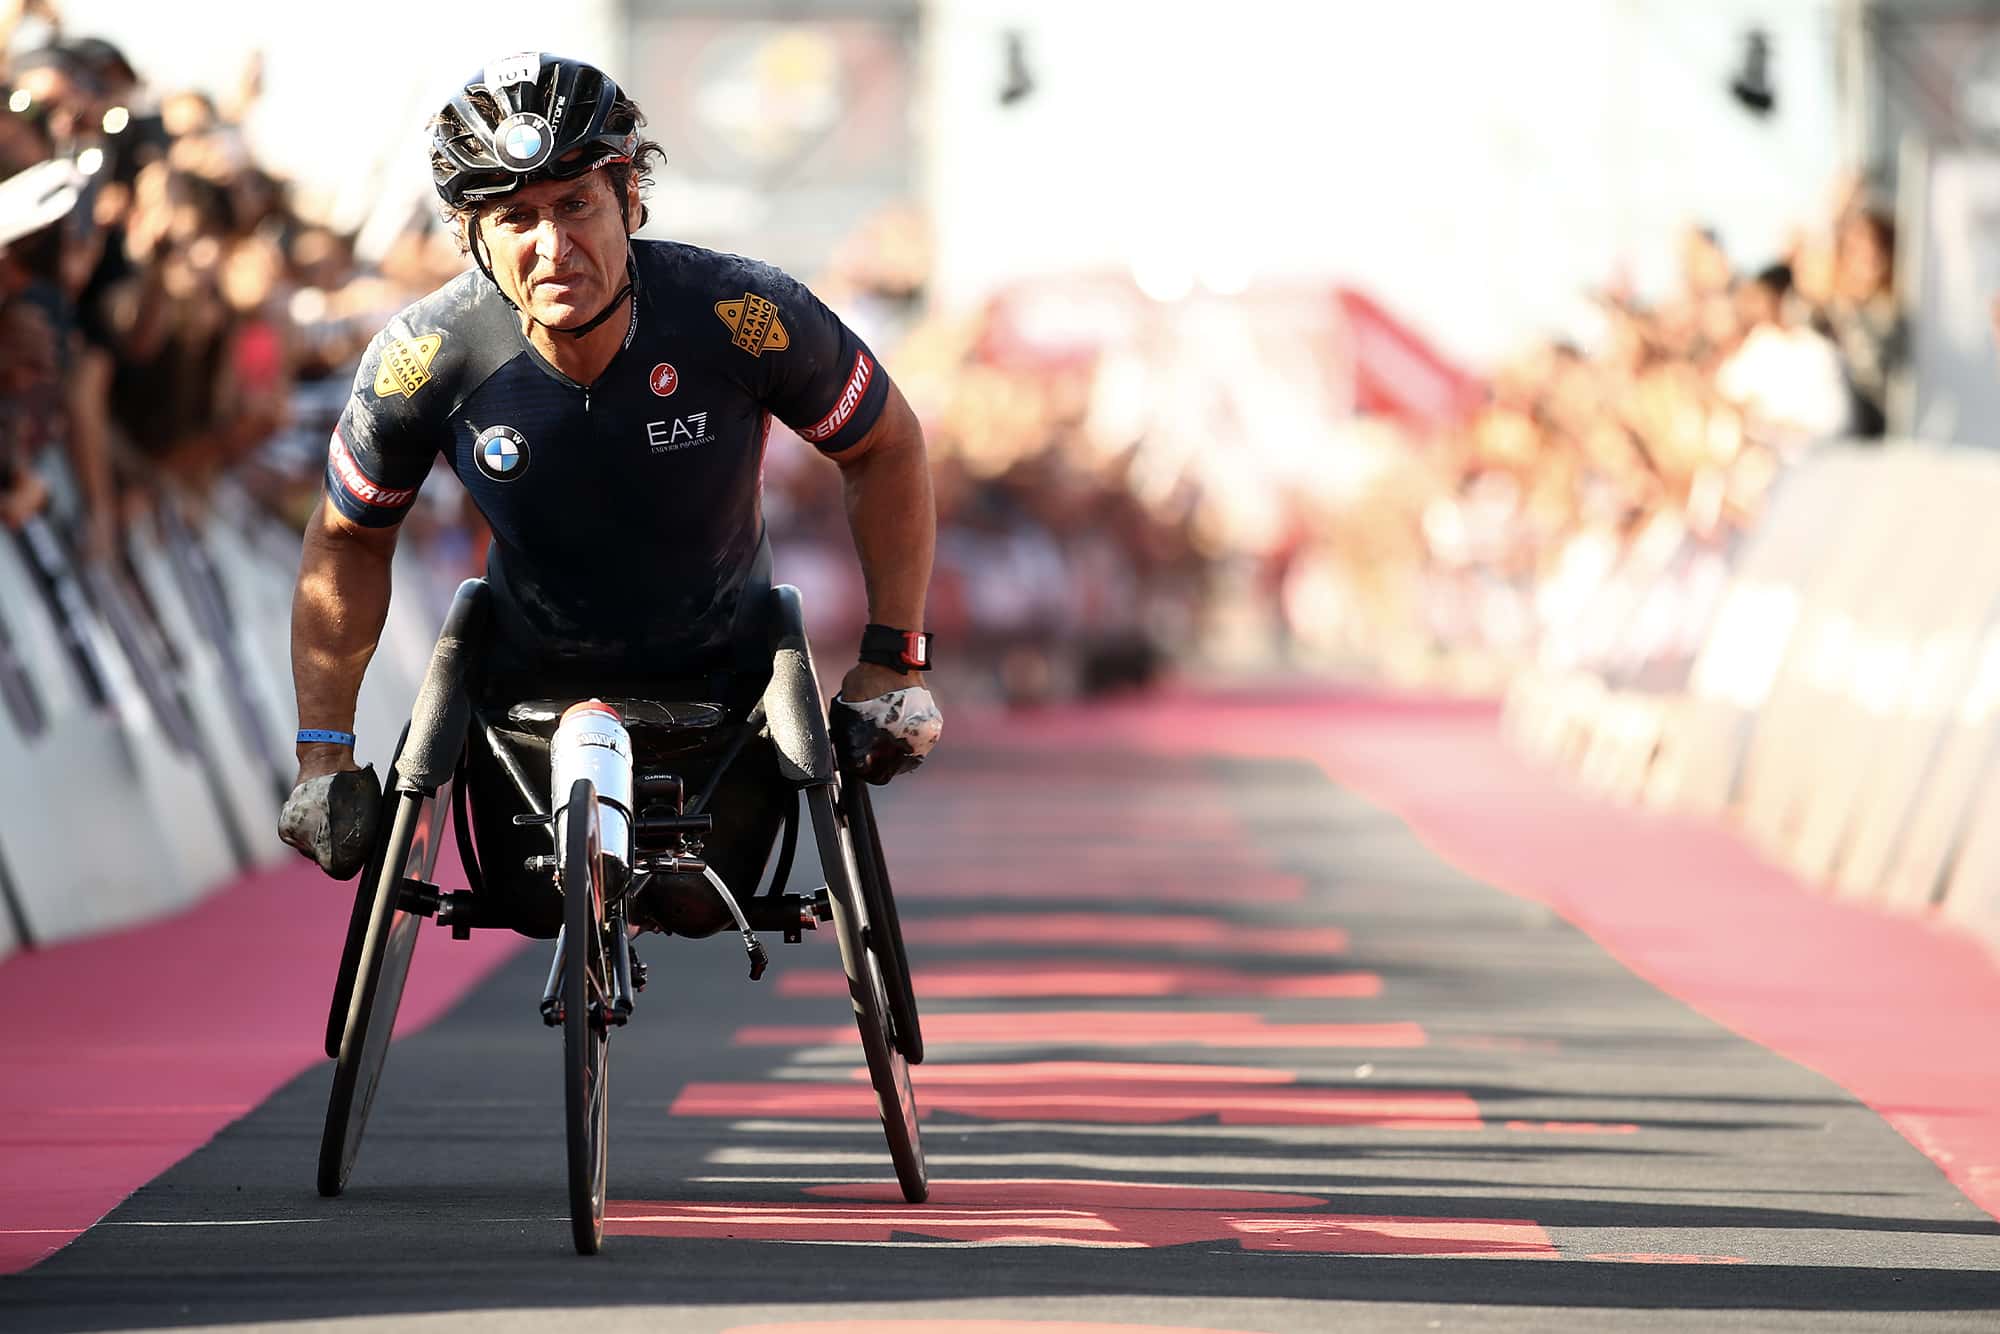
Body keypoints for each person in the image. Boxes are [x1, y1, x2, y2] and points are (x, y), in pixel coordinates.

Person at [277, 53, 940, 937]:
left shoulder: (741, 312)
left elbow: (886, 445)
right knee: (530, 907)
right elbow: (348, 539)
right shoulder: (425, 356)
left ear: (631, 199)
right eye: (515, 217)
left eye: (576, 204)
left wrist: (895, 657)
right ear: (473, 235)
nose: (552, 247)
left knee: (702, 906)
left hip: (725, 684)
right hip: (524, 692)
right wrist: (323, 753)